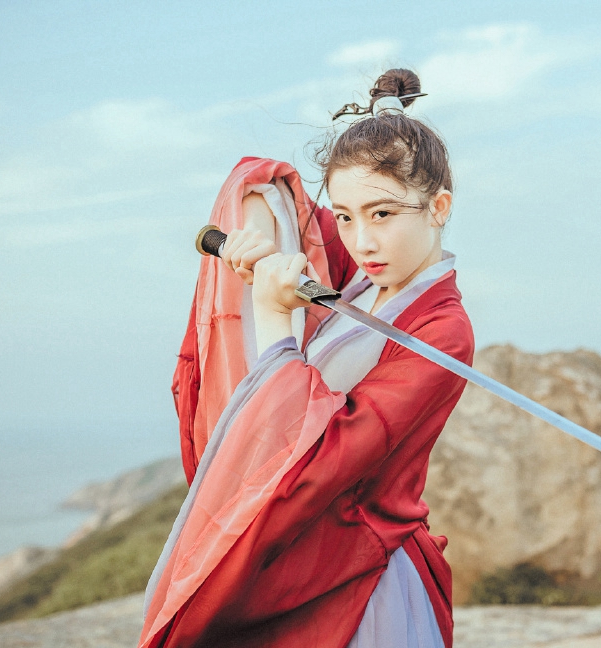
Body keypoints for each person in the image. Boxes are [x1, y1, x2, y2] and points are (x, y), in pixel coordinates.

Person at [139, 69, 473, 648]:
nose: (361, 240)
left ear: (438, 206)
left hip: (359, 571)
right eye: (345, 215)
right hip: (308, 543)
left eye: (383, 214)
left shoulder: (442, 330)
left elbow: (325, 457)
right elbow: (264, 187)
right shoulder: (359, 280)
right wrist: (256, 240)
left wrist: (274, 325)